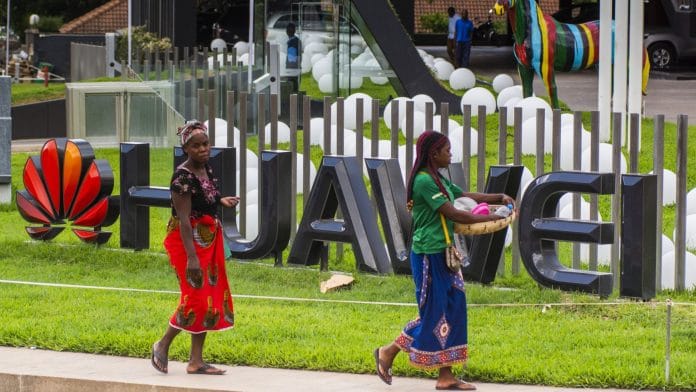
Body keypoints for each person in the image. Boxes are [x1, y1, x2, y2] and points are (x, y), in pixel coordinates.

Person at [373, 131, 514, 391]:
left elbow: (466, 196)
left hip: (444, 254)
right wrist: (495, 218)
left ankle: (446, 376)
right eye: (447, 150)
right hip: (428, 255)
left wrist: (498, 198)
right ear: (433, 154)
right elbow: (457, 214)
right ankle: (388, 352)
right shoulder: (424, 182)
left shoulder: (439, 178)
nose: (451, 154)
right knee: (434, 314)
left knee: (453, 308)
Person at [151, 120, 240, 375]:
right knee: (195, 298)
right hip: (187, 243)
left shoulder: (206, 169)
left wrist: (221, 201)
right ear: (186, 149)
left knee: (209, 300)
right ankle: (162, 344)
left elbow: (205, 199)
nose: (203, 149)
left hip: (209, 240)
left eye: (206, 144)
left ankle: (196, 361)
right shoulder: (182, 177)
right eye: (196, 146)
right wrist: (192, 259)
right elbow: (184, 221)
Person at [285, 22, 301, 92]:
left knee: (292, 87)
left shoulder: (292, 42)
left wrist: (288, 68)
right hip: (296, 67)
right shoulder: (297, 40)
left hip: (292, 68)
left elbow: (291, 58)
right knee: (295, 86)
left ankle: (293, 101)